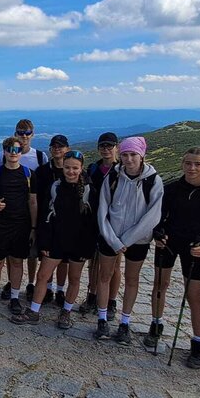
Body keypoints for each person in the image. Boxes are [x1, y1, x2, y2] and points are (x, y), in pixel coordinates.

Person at [148, 147, 200, 365]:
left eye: (198, 164)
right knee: (159, 285)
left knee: (193, 295)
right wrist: (158, 234)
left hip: (195, 248)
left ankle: (198, 343)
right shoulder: (171, 189)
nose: (192, 168)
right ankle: (156, 324)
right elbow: (159, 218)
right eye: (188, 163)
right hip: (168, 244)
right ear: (182, 164)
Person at [12, 150, 95, 329]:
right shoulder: (55, 187)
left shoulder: (89, 190)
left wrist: (88, 247)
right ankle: (34, 311)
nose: (71, 171)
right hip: (56, 240)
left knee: (74, 278)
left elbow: (92, 223)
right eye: (67, 167)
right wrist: (45, 241)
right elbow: (46, 215)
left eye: (75, 168)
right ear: (62, 167)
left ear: (81, 168)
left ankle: (66, 312)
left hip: (79, 243)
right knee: (43, 275)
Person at [94, 136, 164, 345]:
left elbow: (153, 216)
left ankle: (125, 322)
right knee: (104, 276)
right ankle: (102, 319)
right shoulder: (113, 176)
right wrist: (114, 239)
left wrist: (126, 239)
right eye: (125, 154)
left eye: (133, 154)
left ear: (142, 155)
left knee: (132, 280)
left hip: (137, 240)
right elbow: (103, 208)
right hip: (111, 237)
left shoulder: (153, 180)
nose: (129, 159)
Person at [0, 137, 37, 315]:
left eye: (17, 150)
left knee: (17, 262)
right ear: (4, 151)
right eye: (10, 150)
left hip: (21, 225)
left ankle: (14, 297)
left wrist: (33, 228)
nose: (13, 153)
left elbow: (33, 202)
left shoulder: (29, 175)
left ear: (21, 152)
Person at [0, 119, 47, 302]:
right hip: (11, 213)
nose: (24, 136)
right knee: (13, 254)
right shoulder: (3, 155)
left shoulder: (40, 156)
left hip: (31, 210)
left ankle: (30, 284)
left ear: (33, 134)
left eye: (27, 133)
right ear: (15, 134)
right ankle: (12, 283)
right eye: (20, 132)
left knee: (31, 252)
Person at [82, 132, 120, 320]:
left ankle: (111, 301)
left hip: (115, 222)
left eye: (109, 146)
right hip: (94, 219)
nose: (106, 149)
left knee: (114, 264)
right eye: (102, 146)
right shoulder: (93, 168)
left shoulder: (121, 170)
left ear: (116, 147)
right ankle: (92, 295)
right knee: (93, 261)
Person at [31, 135, 71, 306]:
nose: (57, 149)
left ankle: (60, 290)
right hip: (46, 221)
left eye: (60, 146)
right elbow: (36, 198)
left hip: (67, 223)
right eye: (54, 146)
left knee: (64, 261)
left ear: (67, 149)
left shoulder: (72, 170)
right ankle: (47, 288)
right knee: (46, 257)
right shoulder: (42, 171)